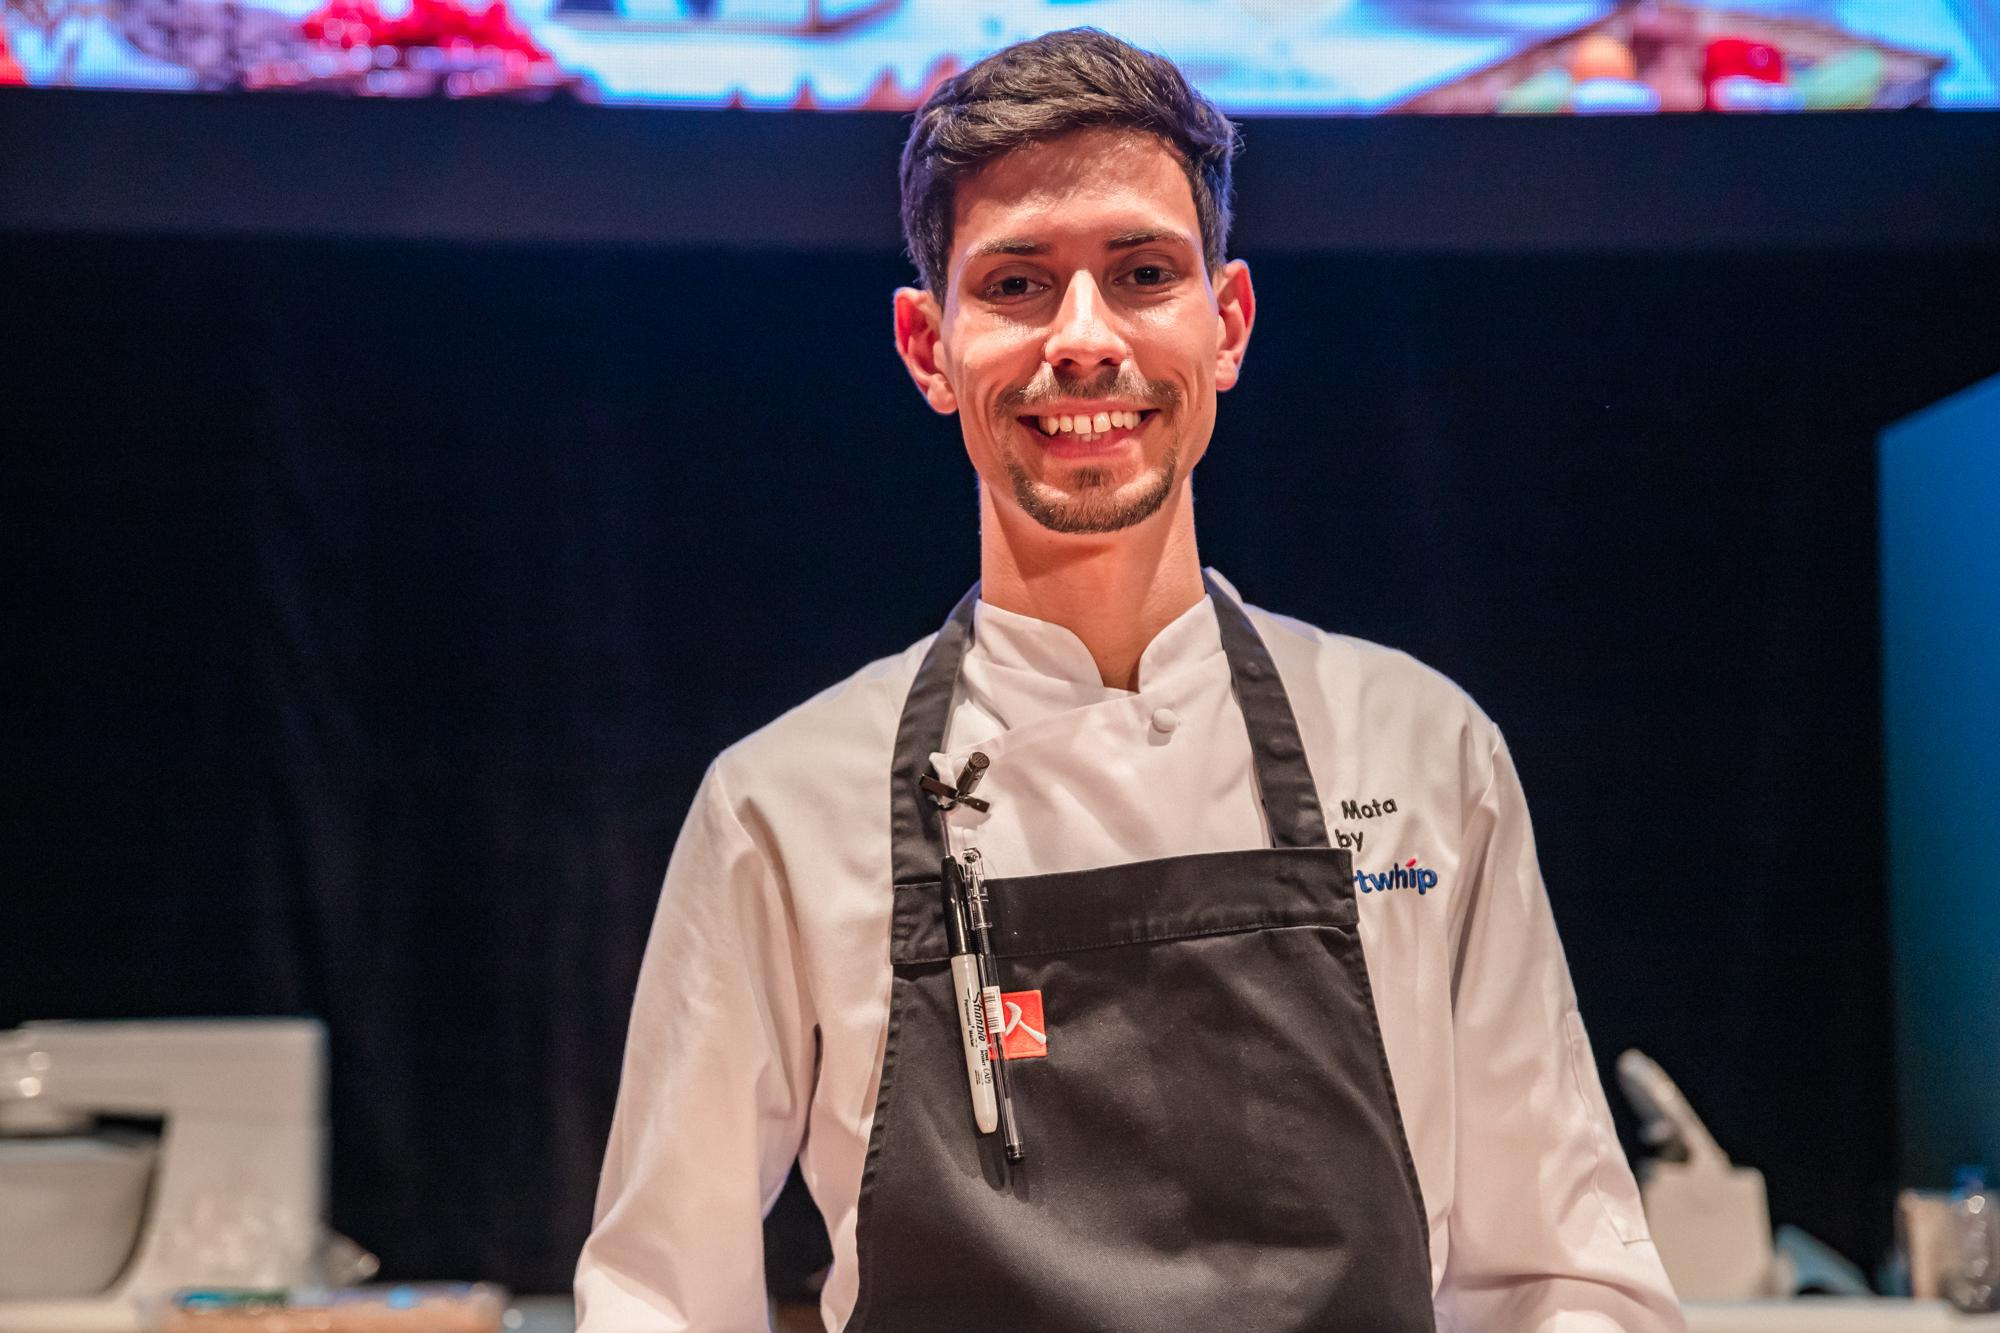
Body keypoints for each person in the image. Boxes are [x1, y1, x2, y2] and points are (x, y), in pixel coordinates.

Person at [575, 26, 1685, 1333]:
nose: (1084, 339)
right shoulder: (779, 807)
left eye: (1143, 271)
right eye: (1019, 284)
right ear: (929, 347)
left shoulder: (1422, 752)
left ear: (1226, 324)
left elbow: (1565, 1274)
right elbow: (657, 1298)